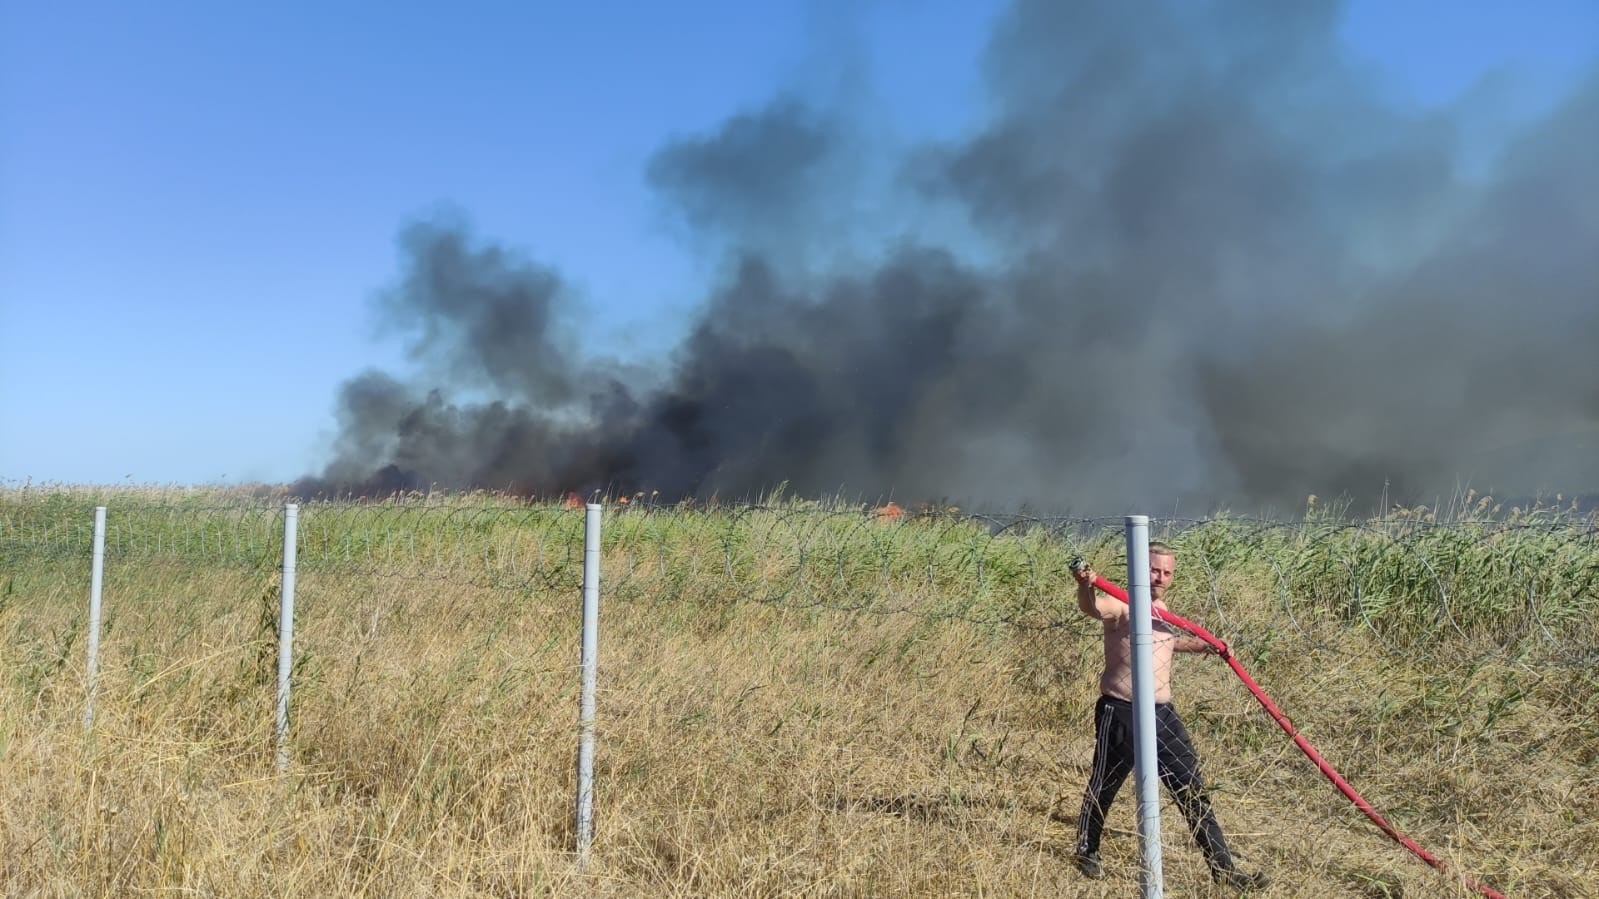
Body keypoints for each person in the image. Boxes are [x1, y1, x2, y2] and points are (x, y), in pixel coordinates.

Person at [1069, 542, 1268, 890]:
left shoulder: (1161, 609)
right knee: (1106, 783)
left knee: (1191, 788)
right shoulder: (1121, 603)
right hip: (1122, 710)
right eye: (1153, 569)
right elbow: (1092, 609)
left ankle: (1224, 869)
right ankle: (1087, 849)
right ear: (1138, 569)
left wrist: (1206, 645)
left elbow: (1165, 642)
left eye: (1166, 572)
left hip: (1162, 713)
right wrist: (1085, 584)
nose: (1160, 577)